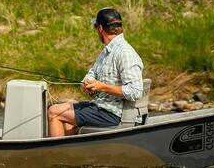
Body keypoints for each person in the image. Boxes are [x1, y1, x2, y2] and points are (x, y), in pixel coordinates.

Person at [47, 7, 144, 137]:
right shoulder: (106, 52)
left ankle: (55, 156)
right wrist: (86, 83)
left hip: (112, 113)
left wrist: (101, 87)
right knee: (65, 114)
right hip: (100, 106)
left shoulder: (125, 53)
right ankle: (70, 153)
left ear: (100, 29)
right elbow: (92, 73)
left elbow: (135, 91)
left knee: (54, 112)